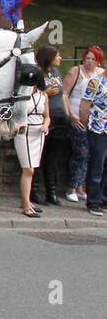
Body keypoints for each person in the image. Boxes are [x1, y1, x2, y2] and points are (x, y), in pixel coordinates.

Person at [64, 46, 103, 202]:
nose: (90, 62)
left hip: (94, 121)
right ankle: (71, 186)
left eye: (93, 59)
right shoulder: (76, 71)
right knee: (81, 152)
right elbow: (65, 93)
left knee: (91, 154)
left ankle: (81, 186)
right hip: (77, 118)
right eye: (87, 58)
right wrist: (71, 115)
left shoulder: (100, 74)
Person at [15, 57, 52, 218]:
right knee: (28, 168)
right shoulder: (22, 95)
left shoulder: (43, 95)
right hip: (25, 132)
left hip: (39, 132)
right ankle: (26, 204)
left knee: (32, 168)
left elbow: (47, 116)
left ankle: (26, 200)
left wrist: (46, 124)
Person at [34, 45, 67, 207]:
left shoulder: (56, 73)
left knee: (52, 158)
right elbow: (31, 93)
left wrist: (68, 115)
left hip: (59, 118)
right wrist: (46, 93)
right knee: (39, 156)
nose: (60, 58)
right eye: (57, 56)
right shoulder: (38, 72)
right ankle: (34, 191)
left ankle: (51, 192)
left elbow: (63, 94)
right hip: (43, 118)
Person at [79, 66, 107, 216]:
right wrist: (84, 124)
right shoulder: (95, 82)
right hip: (98, 129)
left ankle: (104, 200)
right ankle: (93, 201)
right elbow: (85, 105)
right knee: (97, 165)